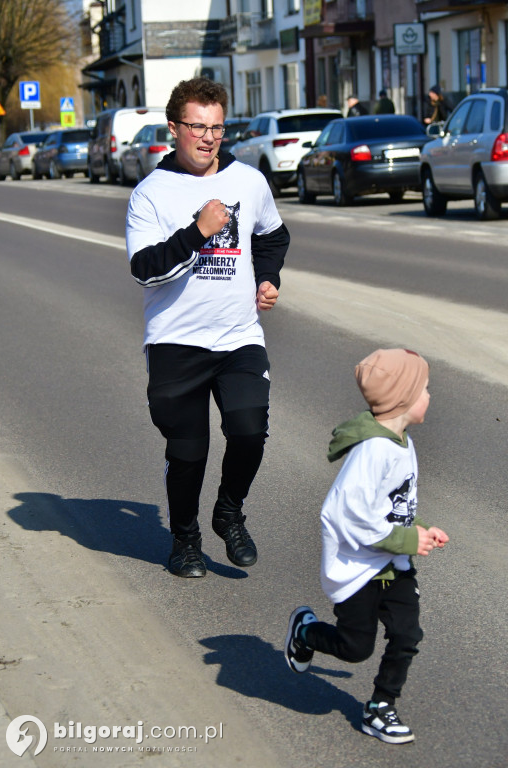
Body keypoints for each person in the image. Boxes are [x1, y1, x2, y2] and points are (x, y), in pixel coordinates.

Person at [126, 77, 290, 579]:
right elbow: (146, 269)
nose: (208, 137)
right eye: (197, 127)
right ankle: (185, 540)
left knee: (249, 431)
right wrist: (199, 231)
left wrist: (267, 277)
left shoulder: (248, 181)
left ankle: (228, 512)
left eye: (217, 127)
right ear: (174, 128)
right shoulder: (150, 193)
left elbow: (273, 235)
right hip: (175, 342)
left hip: (238, 336)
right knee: (188, 451)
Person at [284, 348, 449, 744]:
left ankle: (380, 706)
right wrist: (408, 539)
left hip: (394, 566)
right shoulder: (373, 451)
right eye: (425, 389)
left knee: (407, 635)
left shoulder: (401, 442)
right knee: (355, 648)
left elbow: (393, 505)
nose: (430, 396)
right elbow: (350, 515)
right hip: (359, 568)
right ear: (403, 397)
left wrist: (421, 528)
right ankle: (306, 632)